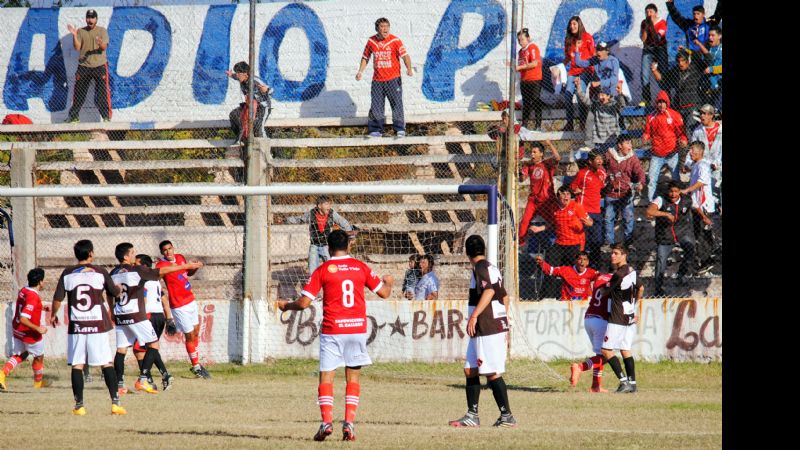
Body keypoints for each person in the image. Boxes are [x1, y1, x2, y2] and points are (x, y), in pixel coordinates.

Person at [277, 230, 394, 441]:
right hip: (357, 329)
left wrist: (286, 305)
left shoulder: (323, 269)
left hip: (333, 330)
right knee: (353, 377)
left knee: (327, 376)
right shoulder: (360, 267)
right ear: (349, 246)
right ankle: (349, 423)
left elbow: (304, 303)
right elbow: (384, 293)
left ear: (328, 249)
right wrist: (389, 282)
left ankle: (326, 422)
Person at [50, 240, 125, 415]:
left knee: (77, 364)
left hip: (77, 326)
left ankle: (79, 406)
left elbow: (57, 299)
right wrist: (119, 288)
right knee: (106, 363)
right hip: (97, 324)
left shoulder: (67, 273)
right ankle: (115, 403)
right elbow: (114, 292)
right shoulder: (99, 271)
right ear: (91, 253)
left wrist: (53, 314)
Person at [449, 235, 516, 428]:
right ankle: (472, 416)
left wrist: (474, 316)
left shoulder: (480, 268)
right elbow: (504, 297)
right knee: (470, 369)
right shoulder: (490, 267)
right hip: (486, 327)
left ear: (467, 252)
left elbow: (490, 292)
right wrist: (505, 321)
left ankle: (507, 416)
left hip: (487, 326)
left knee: (491, 372)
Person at [155, 240, 210, 379]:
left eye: (170, 248)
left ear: (173, 248)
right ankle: (196, 366)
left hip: (190, 300)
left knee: (196, 332)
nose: (168, 252)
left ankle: (196, 362)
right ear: (162, 252)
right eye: (165, 250)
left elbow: (188, 273)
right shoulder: (161, 265)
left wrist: (195, 267)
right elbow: (156, 279)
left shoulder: (180, 257)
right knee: (189, 335)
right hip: (178, 305)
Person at [530, 186, 593, 299]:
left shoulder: (577, 206)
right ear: (558, 196)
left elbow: (590, 222)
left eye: (568, 194)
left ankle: (572, 296)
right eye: (563, 194)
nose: (566, 197)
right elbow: (551, 223)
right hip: (560, 243)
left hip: (575, 244)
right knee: (550, 268)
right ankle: (548, 297)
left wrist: (587, 223)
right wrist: (539, 229)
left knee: (573, 271)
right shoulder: (554, 208)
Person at [357, 17, 413, 138]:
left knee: (396, 103)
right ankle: (376, 130)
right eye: (382, 27)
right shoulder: (371, 41)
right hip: (377, 80)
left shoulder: (395, 41)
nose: (385, 29)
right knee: (376, 105)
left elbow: (405, 56)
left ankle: (400, 129)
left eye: (387, 26)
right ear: (377, 28)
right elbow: (365, 57)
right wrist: (360, 71)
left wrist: (409, 68)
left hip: (393, 79)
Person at [0, 268, 50, 392]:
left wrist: (41, 307)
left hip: (17, 330)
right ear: (40, 282)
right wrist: (38, 328)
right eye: (43, 281)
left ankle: (1, 374)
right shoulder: (33, 297)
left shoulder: (24, 289)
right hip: (29, 333)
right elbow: (24, 318)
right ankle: (38, 383)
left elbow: (25, 306)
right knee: (39, 356)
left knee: (21, 354)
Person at [133, 254, 175, 391]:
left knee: (139, 350)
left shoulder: (143, 279)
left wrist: (140, 316)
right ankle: (165, 376)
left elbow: (144, 299)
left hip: (148, 316)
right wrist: (169, 319)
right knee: (152, 347)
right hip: (159, 316)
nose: (134, 266)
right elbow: (164, 300)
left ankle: (146, 379)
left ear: (144, 266)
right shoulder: (156, 280)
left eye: (136, 264)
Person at [600, 244, 639, 393]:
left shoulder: (619, 274)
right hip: (629, 315)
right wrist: (634, 306)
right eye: (612, 253)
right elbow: (640, 288)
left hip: (617, 316)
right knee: (625, 349)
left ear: (624, 255)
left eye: (616, 253)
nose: (612, 256)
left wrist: (597, 284)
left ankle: (624, 382)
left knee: (606, 350)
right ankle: (633, 383)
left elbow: (604, 292)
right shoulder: (632, 271)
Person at [646, 181, 696, 296]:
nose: (673, 194)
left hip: (682, 233)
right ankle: (658, 289)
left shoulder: (687, 200)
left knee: (691, 249)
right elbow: (649, 211)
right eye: (671, 191)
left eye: (676, 191)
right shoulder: (661, 199)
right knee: (661, 261)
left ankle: (681, 275)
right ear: (667, 191)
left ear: (680, 191)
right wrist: (665, 214)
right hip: (665, 235)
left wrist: (704, 217)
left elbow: (696, 207)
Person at [285, 196, 354, 273]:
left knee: (332, 269)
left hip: (327, 245)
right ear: (319, 206)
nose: (329, 206)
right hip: (314, 245)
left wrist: (351, 236)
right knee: (313, 271)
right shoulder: (311, 214)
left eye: (330, 204)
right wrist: (287, 220)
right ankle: (315, 282)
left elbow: (344, 222)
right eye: (326, 204)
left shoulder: (332, 214)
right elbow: (300, 219)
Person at [569, 272, 613, 392]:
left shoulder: (600, 278)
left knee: (601, 355)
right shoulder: (614, 280)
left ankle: (595, 386)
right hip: (600, 320)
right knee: (606, 355)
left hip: (589, 318)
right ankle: (580, 367)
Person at [65, 9, 111, 123]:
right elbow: (77, 47)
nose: (90, 20)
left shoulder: (102, 31)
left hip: (100, 66)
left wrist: (100, 43)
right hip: (84, 66)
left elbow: (104, 47)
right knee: (79, 93)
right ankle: (74, 117)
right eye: (88, 18)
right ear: (86, 19)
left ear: (96, 19)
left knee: (102, 94)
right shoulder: (80, 31)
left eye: (92, 18)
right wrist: (75, 35)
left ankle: (106, 117)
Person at [642, 90, 687, 202]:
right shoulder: (651, 116)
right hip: (657, 155)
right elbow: (647, 131)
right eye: (659, 102)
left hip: (672, 154)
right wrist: (645, 136)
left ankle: (678, 203)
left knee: (676, 179)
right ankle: (652, 204)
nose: (661, 104)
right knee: (652, 180)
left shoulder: (675, 115)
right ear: (656, 103)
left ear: (667, 103)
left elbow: (681, 133)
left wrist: (683, 139)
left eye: (663, 102)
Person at [604, 134, 645, 249]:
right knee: (608, 219)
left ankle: (628, 243)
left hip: (626, 194)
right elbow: (601, 168)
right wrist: (606, 179)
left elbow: (640, 172)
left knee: (628, 218)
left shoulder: (632, 158)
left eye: (630, 143)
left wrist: (641, 183)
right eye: (627, 143)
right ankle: (609, 243)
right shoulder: (609, 155)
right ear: (620, 145)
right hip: (611, 193)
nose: (630, 146)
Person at [681, 141, 716, 275]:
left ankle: (707, 261)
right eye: (690, 150)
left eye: (692, 150)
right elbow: (686, 167)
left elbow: (702, 181)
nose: (690, 152)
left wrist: (687, 190)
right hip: (697, 206)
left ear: (700, 151)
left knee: (702, 234)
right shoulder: (695, 164)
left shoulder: (703, 165)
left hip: (704, 206)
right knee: (699, 233)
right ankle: (705, 258)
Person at [651, 49, 705, 136]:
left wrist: (688, 50)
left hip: (694, 106)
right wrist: (654, 71)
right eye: (679, 61)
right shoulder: (675, 71)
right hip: (679, 107)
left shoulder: (696, 68)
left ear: (688, 61)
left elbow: (705, 60)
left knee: (689, 129)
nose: (681, 63)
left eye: (683, 61)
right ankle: (683, 149)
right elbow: (663, 82)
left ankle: (691, 149)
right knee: (678, 130)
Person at [518, 140, 561, 246]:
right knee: (524, 222)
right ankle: (520, 244)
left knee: (556, 221)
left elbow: (557, 158)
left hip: (547, 201)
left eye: (534, 152)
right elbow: (522, 179)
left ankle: (559, 243)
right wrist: (520, 170)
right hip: (534, 200)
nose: (532, 154)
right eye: (531, 152)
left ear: (541, 153)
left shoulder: (547, 164)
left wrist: (550, 144)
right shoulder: (529, 166)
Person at [570, 151, 607, 266]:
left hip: (597, 210)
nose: (600, 161)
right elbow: (573, 186)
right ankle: (582, 266)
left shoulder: (602, 173)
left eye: (601, 158)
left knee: (597, 240)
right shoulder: (583, 173)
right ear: (590, 162)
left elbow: (602, 187)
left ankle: (595, 266)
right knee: (585, 241)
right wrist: (576, 190)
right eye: (597, 159)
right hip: (584, 210)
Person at [574, 76, 627, 153]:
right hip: (599, 139)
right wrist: (578, 87)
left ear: (608, 96)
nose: (600, 97)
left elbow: (622, 104)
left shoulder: (614, 105)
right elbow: (584, 99)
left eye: (603, 95)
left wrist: (619, 94)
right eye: (599, 95)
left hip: (612, 139)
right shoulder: (596, 105)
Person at [561, 16, 595, 131]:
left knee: (581, 96)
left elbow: (593, 55)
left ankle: (582, 123)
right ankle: (569, 123)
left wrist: (594, 73)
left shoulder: (587, 37)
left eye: (574, 24)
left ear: (579, 24)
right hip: (573, 71)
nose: (572, 26)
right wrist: (559, 67)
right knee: (568, 94)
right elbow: (567, 57)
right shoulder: (568, 39)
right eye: (570, 24)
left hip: (585, 71)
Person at [226, 61, 272, 143]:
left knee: (258, 128)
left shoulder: (255, 80)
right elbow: (235, 76)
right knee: (234, 115)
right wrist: (231, 75)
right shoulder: (241, 79)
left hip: (262, 107)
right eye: (236, 73)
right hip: (250, 106)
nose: (237, 75)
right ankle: (242, 138)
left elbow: (271, 90)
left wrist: (266, 90)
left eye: (238, 73)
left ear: (245, 74)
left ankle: (266, 149)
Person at [685, 104, 722, 208]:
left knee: (716, 194)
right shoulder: (697, 131)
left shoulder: (721, 130)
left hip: (718, 167)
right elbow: (692, 149)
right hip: (703, 167)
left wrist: (717, 163)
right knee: (705, 195)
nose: (701, 116)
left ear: (711, 115)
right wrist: (688, 164)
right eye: (701, 113)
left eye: (704, 113)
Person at [534, 252, 598, 300]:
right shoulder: (566, 270)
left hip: (583, 304)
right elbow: (551, 270)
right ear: (576, 261)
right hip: (567, 303)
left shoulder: (591, 273)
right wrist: (541, 262)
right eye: (580, 259)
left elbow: (602, 279)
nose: (582, 262)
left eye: (584, 259)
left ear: (587, 262)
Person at [639, 3, 668, 106]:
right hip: (648, 49)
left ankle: (666, 97)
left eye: (651, 11)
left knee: (663, 73)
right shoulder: (644, 23)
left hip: (660, 49)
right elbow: (643, 39)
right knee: (644, 74)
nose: (648, 14)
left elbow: (657, 39)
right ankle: (646, 99)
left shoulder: (662, 23)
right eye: (647, 12)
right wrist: (646, 28)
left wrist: (651, 25)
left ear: (656, 13)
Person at [514, 28, 543, 129]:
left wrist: (520, 67)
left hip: (534, 79)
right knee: (526, 103)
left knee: (535, 101)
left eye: (522, 39)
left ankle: (538, 125)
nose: (520, 42)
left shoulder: (532, 47)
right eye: (519, 40)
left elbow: (534, 63)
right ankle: (525, 124)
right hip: (524, 80)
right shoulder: (520, 52)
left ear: (528, 38)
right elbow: (521, 65)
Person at [695, 26, 722, 110]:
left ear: (720, 36)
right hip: (708, 83)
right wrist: (686, 51)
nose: (710, 38)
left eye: (713, 35)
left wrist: (711, 69)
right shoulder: (708, 49)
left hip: (719, 83)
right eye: (709, 35)